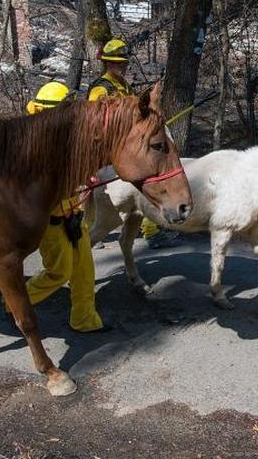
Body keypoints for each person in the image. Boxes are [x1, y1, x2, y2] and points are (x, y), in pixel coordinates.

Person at [23, 81, 108, 333]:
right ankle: (16, 303)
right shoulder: (30, 144)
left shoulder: (63, 137)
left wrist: (85, 176)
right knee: (59, 272)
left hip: (73, 216)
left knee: (84, 272)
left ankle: (84, 319)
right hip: (51, 220)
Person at [87, 38, 176, 249]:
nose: (122, 66)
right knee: (92, 190)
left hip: (126, 144)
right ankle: (88, 230)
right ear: (108, 63)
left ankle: (151, 229)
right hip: (107, 146)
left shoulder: (124, 85)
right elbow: (96, 120)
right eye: (118, 63)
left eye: (124, 63)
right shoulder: (100, 88)